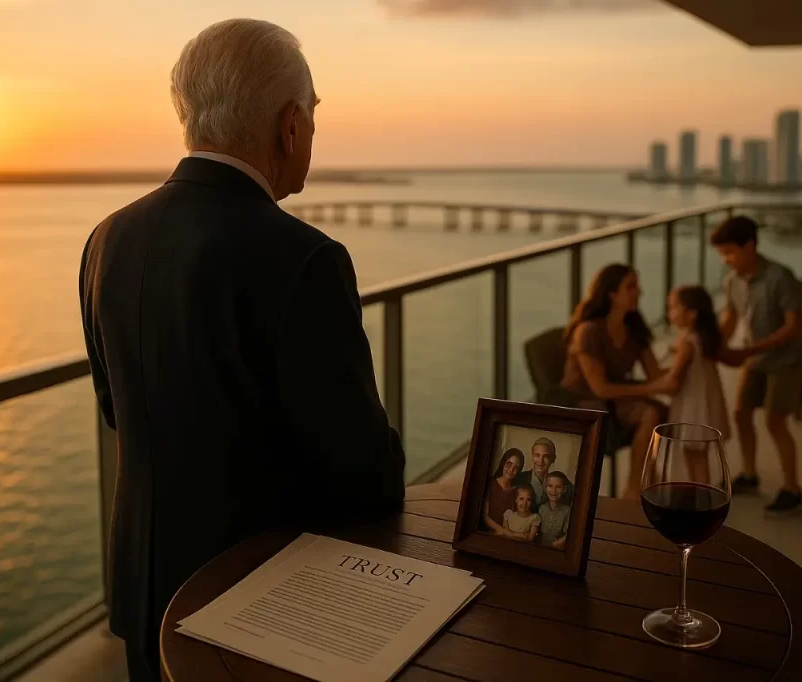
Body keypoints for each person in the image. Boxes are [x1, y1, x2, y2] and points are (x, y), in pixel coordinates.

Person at [78, 20, 405, 681]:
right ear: (289, 125)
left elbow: (119, 409)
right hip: (263, 603)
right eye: (313, 117)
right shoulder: (304, 259)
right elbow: (364, 474)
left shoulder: (108, 239)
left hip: (145, 587)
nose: (312, 132)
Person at [710, 215, 802, 514]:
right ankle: (750, 475)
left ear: (749, 245)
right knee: (741, 414)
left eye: (729, 252)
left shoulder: (781, 276)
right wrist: (712, 345)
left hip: (784, 360)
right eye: (722, 254)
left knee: (775, 421)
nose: (726, 260)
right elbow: (730, 319)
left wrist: (749, 350)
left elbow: (795, 327)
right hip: (755, 358)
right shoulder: (732, 281)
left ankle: (793, 488)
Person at [561, 263, 670, 500]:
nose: (639, 291)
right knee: (650, 411)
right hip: (584, 401)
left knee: (656, 412)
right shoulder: (589, 331)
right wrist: (651, 388)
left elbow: (655, 373)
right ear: (611, 293)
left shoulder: (633, 325)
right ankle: (638, 488)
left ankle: (640, 485)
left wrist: (686, 360)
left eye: (637, 285)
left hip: (616, 397)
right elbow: (599, 387)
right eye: (631, 286)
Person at [656, 285, 732, 483]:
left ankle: (698, 498)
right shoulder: (704, 340)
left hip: (693, 409)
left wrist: (648, 383)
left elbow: (674, 378)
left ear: (691, 314)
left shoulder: (686, 343)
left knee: (694, 457)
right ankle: (700, 495)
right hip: (705, 406)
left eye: (673, 307)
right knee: (700, 457)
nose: (669, 313)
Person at [513, 437, 573, 509]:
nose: (540, 460)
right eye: (537, 455)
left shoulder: (563, 484)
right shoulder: (518, 479)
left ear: (553, 459)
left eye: (546, 456)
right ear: (532, 457)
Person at [482, 449, 524, 535]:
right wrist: (501, 530)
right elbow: (485, 516)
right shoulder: (490, 485)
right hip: (489, 533)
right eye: (509, 464)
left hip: (508, 535)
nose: (511, 469)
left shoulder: (516, 491)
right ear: (503, 463)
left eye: (516, 467)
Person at [537, 472, 571, 549]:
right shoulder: (541, 508)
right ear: (545, 488)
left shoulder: (567, 511)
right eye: (550, 486)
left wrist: (553, 546)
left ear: (564, 489)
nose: (553, 490)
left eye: (558, 487)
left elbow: (568, 535)